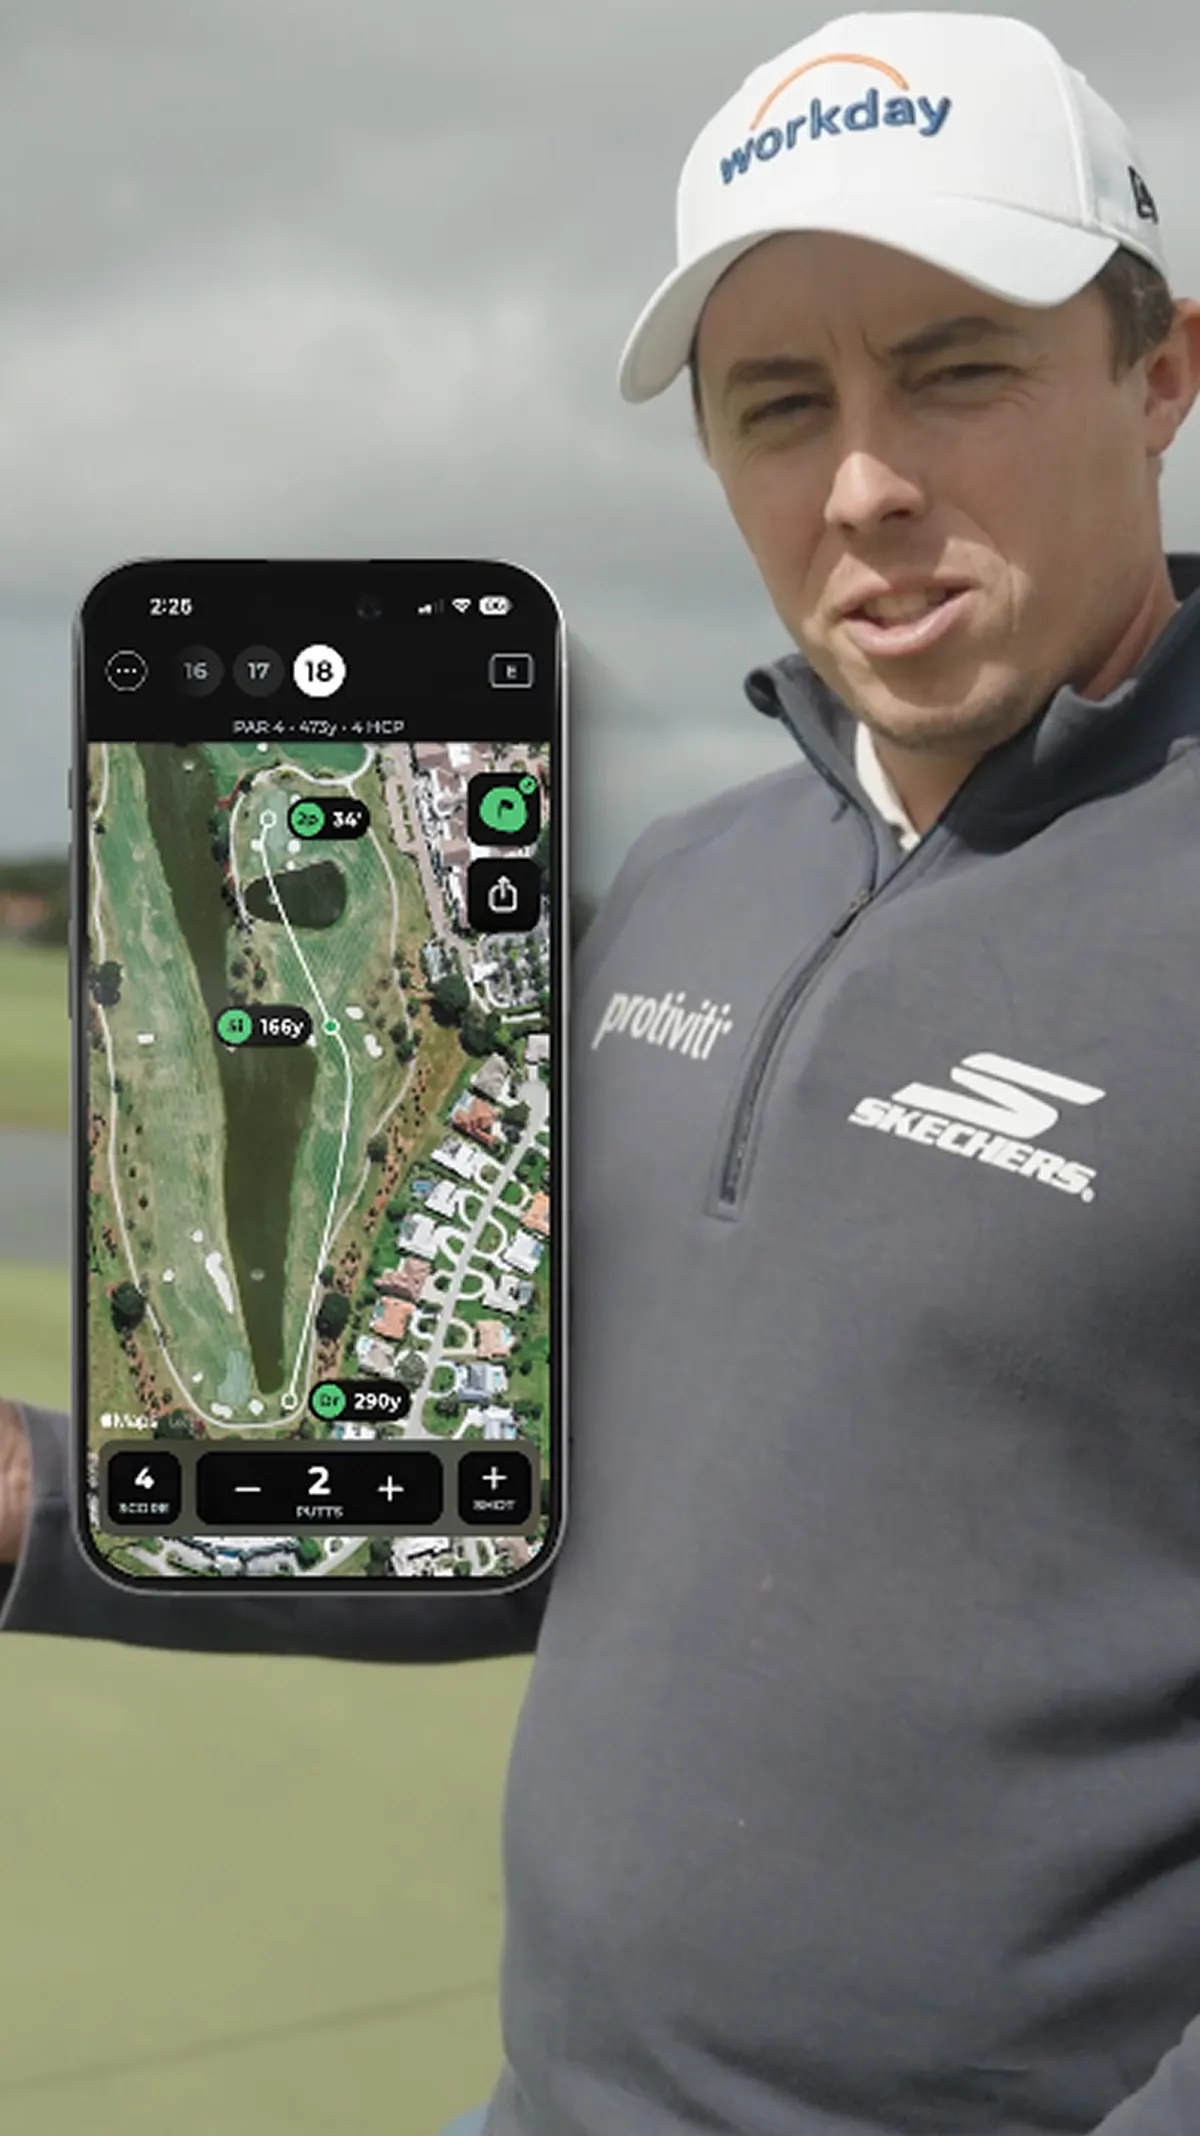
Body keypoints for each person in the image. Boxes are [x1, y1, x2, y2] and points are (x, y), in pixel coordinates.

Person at [5, 11, 1200, 2133]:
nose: (864, 485)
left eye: (956, 372)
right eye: (780, 406)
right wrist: (38, 1505)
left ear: (1161, 375)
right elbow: (507, 1511)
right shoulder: (688, 881)